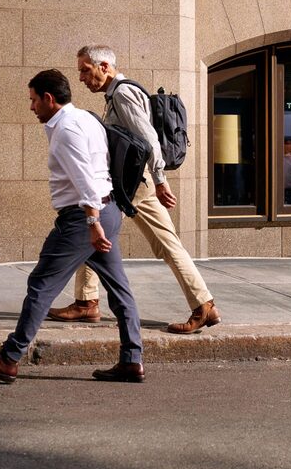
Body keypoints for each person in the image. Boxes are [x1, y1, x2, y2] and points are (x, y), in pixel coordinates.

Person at [0, 70, 144, 383]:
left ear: (49, 99)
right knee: (119, 290)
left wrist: (91, 223)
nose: (31, 107)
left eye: (34, 100)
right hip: (108, 209)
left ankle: (9, 357)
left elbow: (84, 179)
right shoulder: (85, 118)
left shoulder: (67, 129)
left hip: (83, 218)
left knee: (41, 285)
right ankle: (132, 360)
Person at [46, 45, 220, 334]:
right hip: (129, 183)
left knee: (160, 243)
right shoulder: (115, 94)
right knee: (95, 231)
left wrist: (161, 179)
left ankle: (203, 306)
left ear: (104, 67)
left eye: (85, 70)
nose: (80, 78)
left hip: (134, 186)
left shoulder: (123, 94)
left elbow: (149, 138)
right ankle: (86, 301)